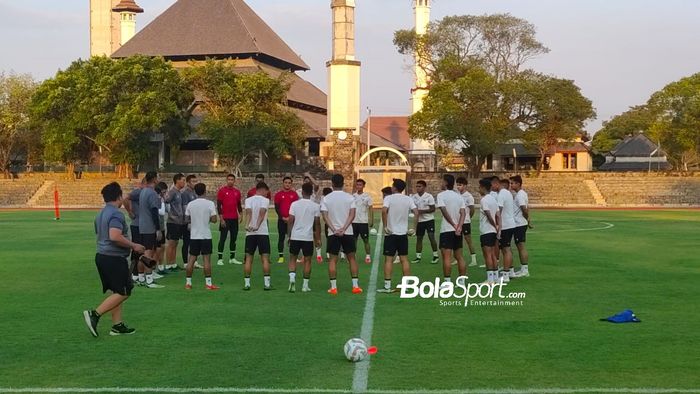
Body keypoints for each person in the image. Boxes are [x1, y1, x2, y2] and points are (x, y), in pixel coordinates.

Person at [83, 182, 145, 337]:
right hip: (113, 258)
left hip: (102, 256)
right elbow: (114, 236)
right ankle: (95, 314)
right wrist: (134, 246)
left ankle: (117, 325)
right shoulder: (116, 214)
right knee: (125, 291)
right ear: (119, 196)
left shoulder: (101, 214)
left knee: (116, 291)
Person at [320, 174, 362, 295]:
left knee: (333, 260)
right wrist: (344, 228)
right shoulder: (349, 197)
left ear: (332, 184)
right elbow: (352, 214)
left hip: (333, 233)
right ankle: (355, 286)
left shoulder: (327, 198)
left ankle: (333, 288)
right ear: (343, 183)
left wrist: (334, 229)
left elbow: (325, 216)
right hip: (347, 232)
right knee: (352, 258)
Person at [377, 179, 418, 293]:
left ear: (395, 188)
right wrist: (414, 228)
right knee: (404, 259)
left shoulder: (388, 198)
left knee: (388, 260)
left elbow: (384, 211)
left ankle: (387, 286)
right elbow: (416, 212)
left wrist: (385, 226)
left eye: (392, 185)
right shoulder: (408, 199)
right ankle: (407, 285)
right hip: (403, 234)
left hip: (391, 233)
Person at [287, 182, 321, 293]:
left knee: (292, 258)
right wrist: (318, 239)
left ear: (302, 192)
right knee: (307, 261)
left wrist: (289, 236)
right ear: (311, 193)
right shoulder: (315, 206)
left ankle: (292, 279)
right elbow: (317, 224)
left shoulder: (294, 204)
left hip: (295, 236)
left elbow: (290, 221)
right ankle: (305, 286)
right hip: (308, 237)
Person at [185, 183, 219, 290]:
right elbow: (214, 220)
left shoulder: (191, 204)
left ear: (195, 191)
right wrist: (206, 219)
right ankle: (208, 284)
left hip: (194, 236)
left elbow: (186, 219)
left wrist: (195, 220)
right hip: (205, 235)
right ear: (205, 191)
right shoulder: (210, 204)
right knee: (206, 260)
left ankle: (188, 283)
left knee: (191, 259)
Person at [436, 174, 467, 286]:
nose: (440, 183)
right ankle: (462, 281)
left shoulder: (441, 195)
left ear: (445, 182)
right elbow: (463, 213)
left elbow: (444, 211)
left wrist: (454, 225)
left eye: (441, 181)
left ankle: (447, 283)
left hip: (447, 230)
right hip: (458, 230)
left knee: (446, 257)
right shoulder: (459, 196)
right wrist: (459, 226)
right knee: (459, 256)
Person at [243, 182, 273, 290]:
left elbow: (249, 213)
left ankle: (247, 284)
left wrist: (247, 225)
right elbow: (262, 212)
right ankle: (267, 284)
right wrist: (257, 226)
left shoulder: (248, 200)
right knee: (265, 259)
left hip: (250, 233)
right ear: (263, 189)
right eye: (266, 192)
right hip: (262, 233)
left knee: (248, 259)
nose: (267, 194)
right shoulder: (265, 200)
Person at [137, 171, 164, 288]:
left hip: (142, 226)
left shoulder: (143, 191)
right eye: (157, 177)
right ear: (154, 179)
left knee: (142, 253)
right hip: (149, 227)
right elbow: (154, 212)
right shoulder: (152, 193)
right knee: (148, 252)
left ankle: (141, 277)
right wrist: (158, 229)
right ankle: (149, 280)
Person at [216, 174, 243, 265]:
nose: (230, 181)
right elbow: (219, 206)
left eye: (232, 179)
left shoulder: (237, 192)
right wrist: (221, 219)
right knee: (223, 238)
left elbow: (238, 205)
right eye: (229, 179)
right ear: (226, 180)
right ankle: (220, 259)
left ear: (234, 181)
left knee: (233, 239)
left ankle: (232, 258)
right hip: (225, 219)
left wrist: (241, 215)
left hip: (234, 219)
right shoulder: (222, 191)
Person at [410, 180, 438, 264]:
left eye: (420, 186)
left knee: (431, 237)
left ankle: (435, 255)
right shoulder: (414, 197)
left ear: (424, 187)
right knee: (419, 238)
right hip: (420, 221)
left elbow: (433, 209)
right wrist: (415, 212)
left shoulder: (429, 196)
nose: (418, 188)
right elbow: (412, 209)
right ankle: (418, 257)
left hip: (429, 220)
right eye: (417, 186)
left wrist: (421, 211)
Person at [478, 178, 500, 285]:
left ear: (483, 187)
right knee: (493, 255)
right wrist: (497, 227)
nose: (479, 189)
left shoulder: (484, 200)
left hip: (486, 230)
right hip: (492, 231)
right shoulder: (493, 199)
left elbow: (488, 214)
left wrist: (493, 225)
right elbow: (497, 215)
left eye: (479, 187)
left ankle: (490, 279)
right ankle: (495, 278)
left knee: (487, 255)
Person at [274, 176, 299, 263]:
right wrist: (282, 217)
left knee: (293, 238)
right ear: (283, 183)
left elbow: (296, 208)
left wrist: (290, 218)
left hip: (292, 221)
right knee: (281, 238)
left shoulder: (294, 195)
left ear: (291, 184)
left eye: (289, 183)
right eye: (286, 182)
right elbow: (277, 208)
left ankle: (294, 256)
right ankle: (281, 256)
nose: (287, 184)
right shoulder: (278, 195)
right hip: (282, 220)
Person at [123, 178, 145, 282]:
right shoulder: (138, 191)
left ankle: (138, 272)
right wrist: (129, 211)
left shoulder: (144, 192)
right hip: (137, 224)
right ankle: (133, 273)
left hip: (143, 224)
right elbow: (126, 198)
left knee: (142, 248)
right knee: (137, 248)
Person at [164, 174, 187, 272]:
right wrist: (171, 214)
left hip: (179, 222)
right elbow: (165, 201)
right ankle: (168, 264)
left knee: (176, 243)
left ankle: (173, 263)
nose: (184, 182)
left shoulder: (179, 192)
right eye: (183, 180)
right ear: (177, 180)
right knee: (171, 243)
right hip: (173, 222)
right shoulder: (172, 191)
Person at [510, 175, 531, 278]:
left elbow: (524, 208)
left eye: (512, 183)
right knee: (519, 246)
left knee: (521, 246)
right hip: (519, 223)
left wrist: (527, 219)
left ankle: (525, 270)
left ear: (518, 184)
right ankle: (523, 269)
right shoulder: (521, 194)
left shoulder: (520, 195)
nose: (511, 185)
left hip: (519, 224)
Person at [497, 178, 517, 282]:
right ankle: (511, 271)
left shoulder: (502, 194)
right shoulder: (508, 194)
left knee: (505, 250)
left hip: (505, 225)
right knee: (508, 248)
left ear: (500, 184)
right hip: (510, 224)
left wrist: (497, 225)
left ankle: (505, 275)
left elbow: (498, 210)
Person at [455, 177, 478, 267]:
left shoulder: (469, 196)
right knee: (457, 241)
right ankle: (457, 258)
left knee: (468, 240)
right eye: (457, 185)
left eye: (460, 185)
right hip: (457, 221)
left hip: (465, 222)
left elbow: (472, 210)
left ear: (465, 186)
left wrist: (468, 218)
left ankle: (473, 259)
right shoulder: (456, 195)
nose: (458, 187)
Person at [352, 179, 374, 264]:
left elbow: (371, 209)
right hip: (354, 222)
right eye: (357, 184)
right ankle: (353, 255)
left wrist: (371, 220)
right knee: (354, 240)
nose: (358, 186)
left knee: (366, 240)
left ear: (364, 186)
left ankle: (368, 256)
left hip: (363, 222)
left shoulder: (367, 197)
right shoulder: (353, 196)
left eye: (360, 185)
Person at [181, 175, 199, 268]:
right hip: (188, 222)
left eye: (196, 181)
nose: (195, 183)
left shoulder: (195, 193)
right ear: (188, 183)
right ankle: (185, 262)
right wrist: (188, 221)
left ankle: (194, 261)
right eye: (193, 181)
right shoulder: (185, 193)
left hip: (195, 221)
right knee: (186, 242)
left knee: (194, 242)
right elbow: (185, 208)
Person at [153, 182, 168, 275]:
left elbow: (167, 210)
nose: (165, 193)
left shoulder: (161, 199)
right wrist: (162, 202)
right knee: (156, 248)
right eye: (164, 192)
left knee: (162, 247)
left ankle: (160, 267)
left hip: (161, 226)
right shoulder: (157, 199)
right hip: (156, 227)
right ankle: (152, 269)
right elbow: (161, 212)